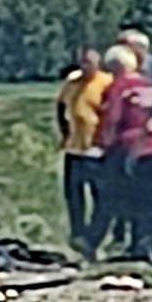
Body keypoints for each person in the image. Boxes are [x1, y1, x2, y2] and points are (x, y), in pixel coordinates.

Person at [94, 44, 152, 266]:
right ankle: (151, 245)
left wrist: (104, 144)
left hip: (134, 146)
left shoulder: (118, 87)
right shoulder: (151, 84)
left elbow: (112, 119)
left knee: (144, 201)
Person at [54, 48, 112, 254]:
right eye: (83, 63)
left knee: (103, 200)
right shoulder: (72, 84)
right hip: (74, 149)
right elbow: (60, 107)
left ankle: (93, 238)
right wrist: (64, 132)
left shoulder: (106, 83)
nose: (85, 67)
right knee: (74, 198)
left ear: (98, 64)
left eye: (90, 63)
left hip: (97, 151)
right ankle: (77, 236)